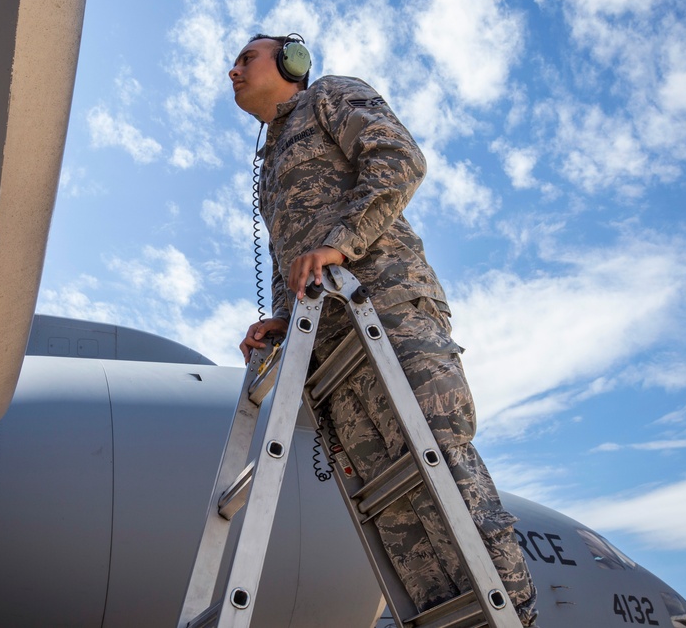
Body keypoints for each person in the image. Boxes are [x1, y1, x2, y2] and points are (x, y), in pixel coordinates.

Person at [229, 33, 538, 625]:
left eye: (247, 58)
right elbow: (288, 257)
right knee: (392, 511)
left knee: (442, 468)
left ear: (289, 63)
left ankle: (518, 620)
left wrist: (338, 243)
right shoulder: (268, 167)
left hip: (387, 306)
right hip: (328, 343)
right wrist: (282, 319)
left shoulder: (329, 95)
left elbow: (398, 160)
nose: (234, 70)